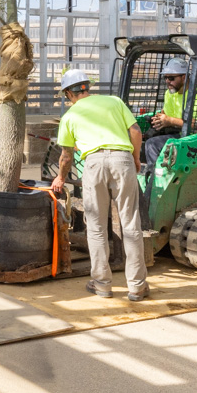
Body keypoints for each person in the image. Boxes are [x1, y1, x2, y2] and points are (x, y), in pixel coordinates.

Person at [48, 69, 149, 302]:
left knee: (96, 226)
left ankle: (102, 285)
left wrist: (60, 178)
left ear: (68, 94)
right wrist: (135, 158)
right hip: (123, 160)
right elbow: (135, 131)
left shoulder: (70, 116)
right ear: (87, 87)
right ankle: (137, 287)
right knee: (131, 223)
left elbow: (66, 156)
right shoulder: (114, 101)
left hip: (93, 164)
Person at [140, 56, 197, 169]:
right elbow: (167, 116)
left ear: (183, 77)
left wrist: (169, 120)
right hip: (184, 135)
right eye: (165, 78)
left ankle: (156, 177)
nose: (168, 81)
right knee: (147, 139)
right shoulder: (169, 94)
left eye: (171, 78)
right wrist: (159, 121)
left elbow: (196, 125)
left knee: (153, 144)